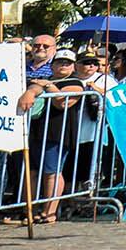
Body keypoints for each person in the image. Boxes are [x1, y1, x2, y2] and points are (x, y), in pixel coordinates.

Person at [22, 48, 94, 224]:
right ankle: (29, 210)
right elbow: (32, 90)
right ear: (52, 65)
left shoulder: (75, 82)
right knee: (31, 171)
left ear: (73, 66)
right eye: (59, 62)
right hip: (37, 131)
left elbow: (62, 102)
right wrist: (31, 91)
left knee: (52, 172)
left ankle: (50, 212)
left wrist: (47, 85)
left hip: (58, 133)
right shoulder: (45, 80)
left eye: (67, 63)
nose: (63, 65)